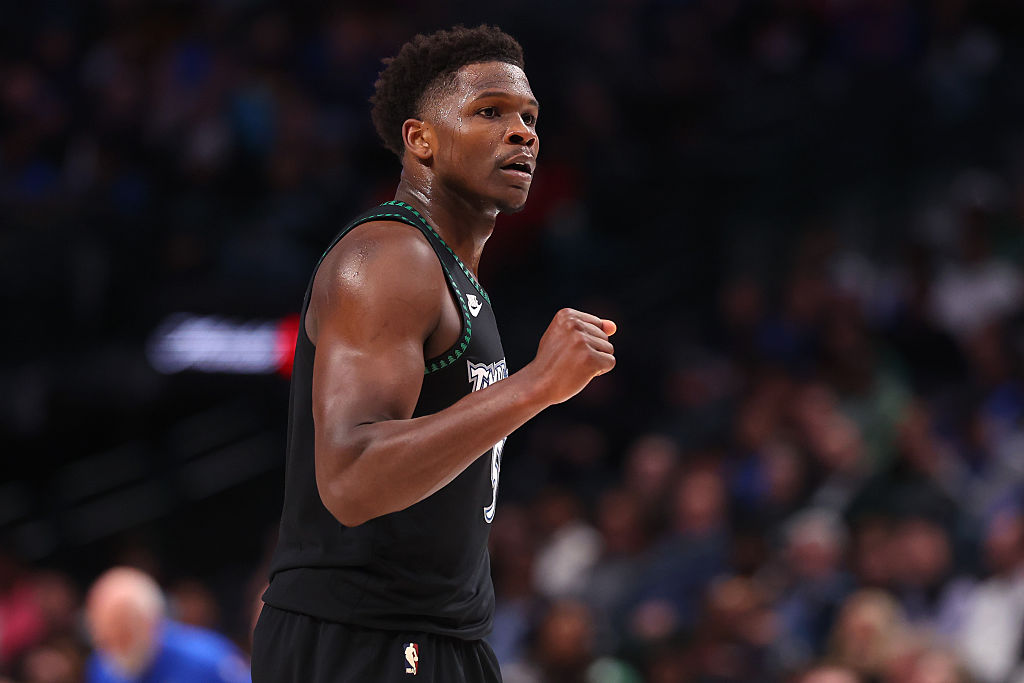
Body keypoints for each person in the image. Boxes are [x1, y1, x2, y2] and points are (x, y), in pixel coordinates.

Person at [250, 24, 617, 683]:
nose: (523, 132)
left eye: (530, 116)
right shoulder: (388, 257)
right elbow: (352, 478)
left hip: (442, 636)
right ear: (420, 139)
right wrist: (536, 385)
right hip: (362, 638)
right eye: (490, 111)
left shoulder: (456, 276)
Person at [84, 567, 250, 683]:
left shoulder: (205, 658)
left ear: (151, 621)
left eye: (122, 629)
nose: (114, 640)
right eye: (104, 634)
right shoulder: (102, 667)